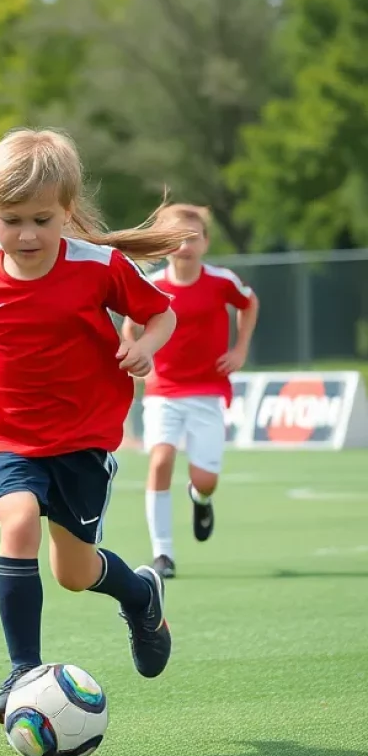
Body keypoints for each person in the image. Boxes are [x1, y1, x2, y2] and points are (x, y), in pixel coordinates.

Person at [0, 128, 187, 723]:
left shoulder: (99, 266)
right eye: (11, 220)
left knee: (74, 573)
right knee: (20, 519)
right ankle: (23, 670)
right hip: (3, 435)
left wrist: (149, 349)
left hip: (83, 438)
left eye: (41, 219)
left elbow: (161, 312)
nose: (27, 235)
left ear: (66, 211)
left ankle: (139, 593)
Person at [123, 204, 259, 580]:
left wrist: (240, 349)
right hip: (163, 391)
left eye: (193, 238)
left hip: (208, 391)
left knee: (205, 480)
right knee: (160, 458)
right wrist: (139, 356)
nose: (185, 246)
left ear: (206, 242)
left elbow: (249, 304)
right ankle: (163, 553)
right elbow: (131, 327)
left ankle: (200, 499)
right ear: (164, 244)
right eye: (176, 239)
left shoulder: (222, 281)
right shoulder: (153, 287)